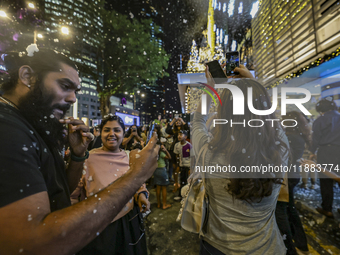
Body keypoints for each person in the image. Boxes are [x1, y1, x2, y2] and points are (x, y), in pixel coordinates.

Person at [0, 46, 159, 254]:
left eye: (76, 91)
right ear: (27, 76)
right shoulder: (7, 128)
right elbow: (31, 243)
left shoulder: (29, 125)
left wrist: (77, 157)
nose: (73, 99)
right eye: (65, 86)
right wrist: (136, 175)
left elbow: (58, 192)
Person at [192, 65, 289, 254]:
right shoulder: (278, 152)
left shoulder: (208, 152)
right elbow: (272, 120)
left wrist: (211, 89)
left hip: (218, 247)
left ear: (223, 114)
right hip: (267, 248)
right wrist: (253, 83)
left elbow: (197, 121)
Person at [71, 114, 149, 255]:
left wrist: (141, 195)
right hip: (97, 225)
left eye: (116, 130)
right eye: (107, 130)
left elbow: (138, 184)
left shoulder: (130, 157)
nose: (111, 134)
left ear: (123, 133)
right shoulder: (88, 158)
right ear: (100, 133)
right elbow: (74, 193)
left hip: (128, 223)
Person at [275, 111, 311, 255]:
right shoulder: (298, 136)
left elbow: (284, 158)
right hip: (292, 175)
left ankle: (291, 247)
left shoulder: (289, 138)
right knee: (289, 210)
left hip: (287, 177)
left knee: (284, 212)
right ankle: (300, 245)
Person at [310, 97, 340, 218]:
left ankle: (327, 209)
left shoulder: (320, 120)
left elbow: (315, 138)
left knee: (325, 180)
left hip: (326, 151)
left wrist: (312, 152)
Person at [166, 117, 188, 192]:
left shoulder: (185, 131)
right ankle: (176, 184)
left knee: (183, 168)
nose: (178, 122)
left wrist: (183, 121)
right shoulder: (174, 131)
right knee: (175, 168)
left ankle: (184, 184)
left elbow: (189, 129)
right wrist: (173, 120)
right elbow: (167, 130)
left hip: (184, 150)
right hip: (174, 150)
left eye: (179, 121)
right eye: (177, 121)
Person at [173, 130, 191, 200]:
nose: (179, 136)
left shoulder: (189, 145)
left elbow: (193, 157)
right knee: (182, 180)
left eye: (181, 134)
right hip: (181, 166)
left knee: (187, 182)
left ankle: (187, 197)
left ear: (185, 137)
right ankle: (181, 195)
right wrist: (177, 166)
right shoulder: (177, 145)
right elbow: (177, 156)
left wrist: (191, 168)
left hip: (188, 166)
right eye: (178, 135)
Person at [154, 144, 172, 209]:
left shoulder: (153, 153)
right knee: (164, 188)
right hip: (162, 170)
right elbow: (169, 157)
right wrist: (166, 150)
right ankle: (164, 205)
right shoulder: (161, 153)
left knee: (158, 188)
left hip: (155, 171)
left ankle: (159, 204)